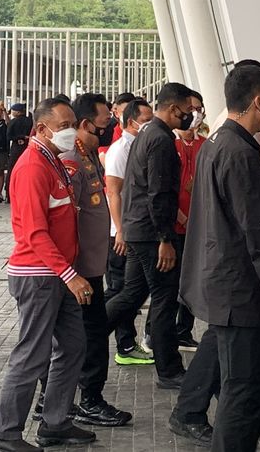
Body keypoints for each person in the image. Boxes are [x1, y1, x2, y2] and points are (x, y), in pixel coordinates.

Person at [174, 65, 260, 452]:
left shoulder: (219, 143)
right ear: (258, 101)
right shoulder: (237, 152)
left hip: (243, 290)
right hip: (239, 291)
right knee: (244, 392)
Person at [0, 97, 95, 452]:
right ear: (42, 129)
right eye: (64, 125)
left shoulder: (55, 163)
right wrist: (70, 275)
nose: (71, 131)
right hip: (39, 274)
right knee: (33, 353)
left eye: (73, 123)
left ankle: (55, 422)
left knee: (73, 346)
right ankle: (4, 433)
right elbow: (34, 233)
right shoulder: (33, 166)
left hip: (58, 274)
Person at [105, 83, 194, 390]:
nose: (191, 115)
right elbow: (158, 194)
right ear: (173, 108)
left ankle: (84, 337)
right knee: (165, 298)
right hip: (151, 234)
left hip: (140, 229)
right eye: (189, 110)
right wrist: (165, 240)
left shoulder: (149, 134)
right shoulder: (159, 139)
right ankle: (169, 369)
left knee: (132, 294)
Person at [58, 92, 133, 426]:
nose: (109, 128)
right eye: (105, 123)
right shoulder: (71, 161)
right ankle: (87, 400)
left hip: (89, 264)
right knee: (87, 334)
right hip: (78, 269)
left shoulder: (86, 156)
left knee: (80, 333)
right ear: (86, 124)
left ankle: (59, 401)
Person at [103, 98, 154, 366]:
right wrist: (120, 230)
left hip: (134, 230)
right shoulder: (120, 150)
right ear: (130, 121)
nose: (150, 124)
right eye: (146, 120)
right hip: (122, 233)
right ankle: (120, 344)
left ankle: (125, 343)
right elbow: (114, 192)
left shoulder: (140, 146)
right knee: (122, 291)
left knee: (130, 291)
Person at [172, 90, 207, 350]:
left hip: (196, 225)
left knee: (192, 279)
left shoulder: (204, 144)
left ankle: (183, 330)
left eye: (199, 109)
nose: (195, 114)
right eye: (191, 109)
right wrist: (180, 216)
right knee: (169, 285)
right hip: (174, 224)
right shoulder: (168, 143)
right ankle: (156, 333)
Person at [4, 103, 33, 204]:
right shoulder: (29, 121)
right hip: (27, 148)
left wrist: (18, 138)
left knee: (12, 171)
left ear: (17, 112)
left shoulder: (13, 122)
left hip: (16, 148)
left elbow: (8, 136)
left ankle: (9, 194)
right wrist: (24, 137)